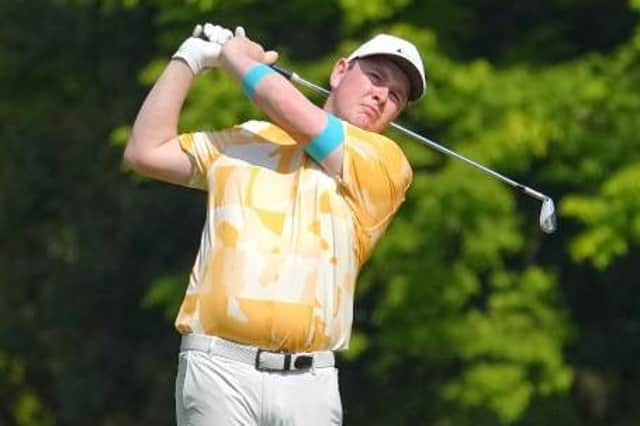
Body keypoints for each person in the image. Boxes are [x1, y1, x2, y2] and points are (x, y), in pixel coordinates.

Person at [124, 22, 426, 426]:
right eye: (375, 78)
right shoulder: (249, 139)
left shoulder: (385, 164)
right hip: (218, 369)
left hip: (310, 383)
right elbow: (146, 151)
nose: (382, 96)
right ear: (339, 72)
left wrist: (233, 55)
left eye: (396, 96)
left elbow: (291, 110)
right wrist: (190, 59)